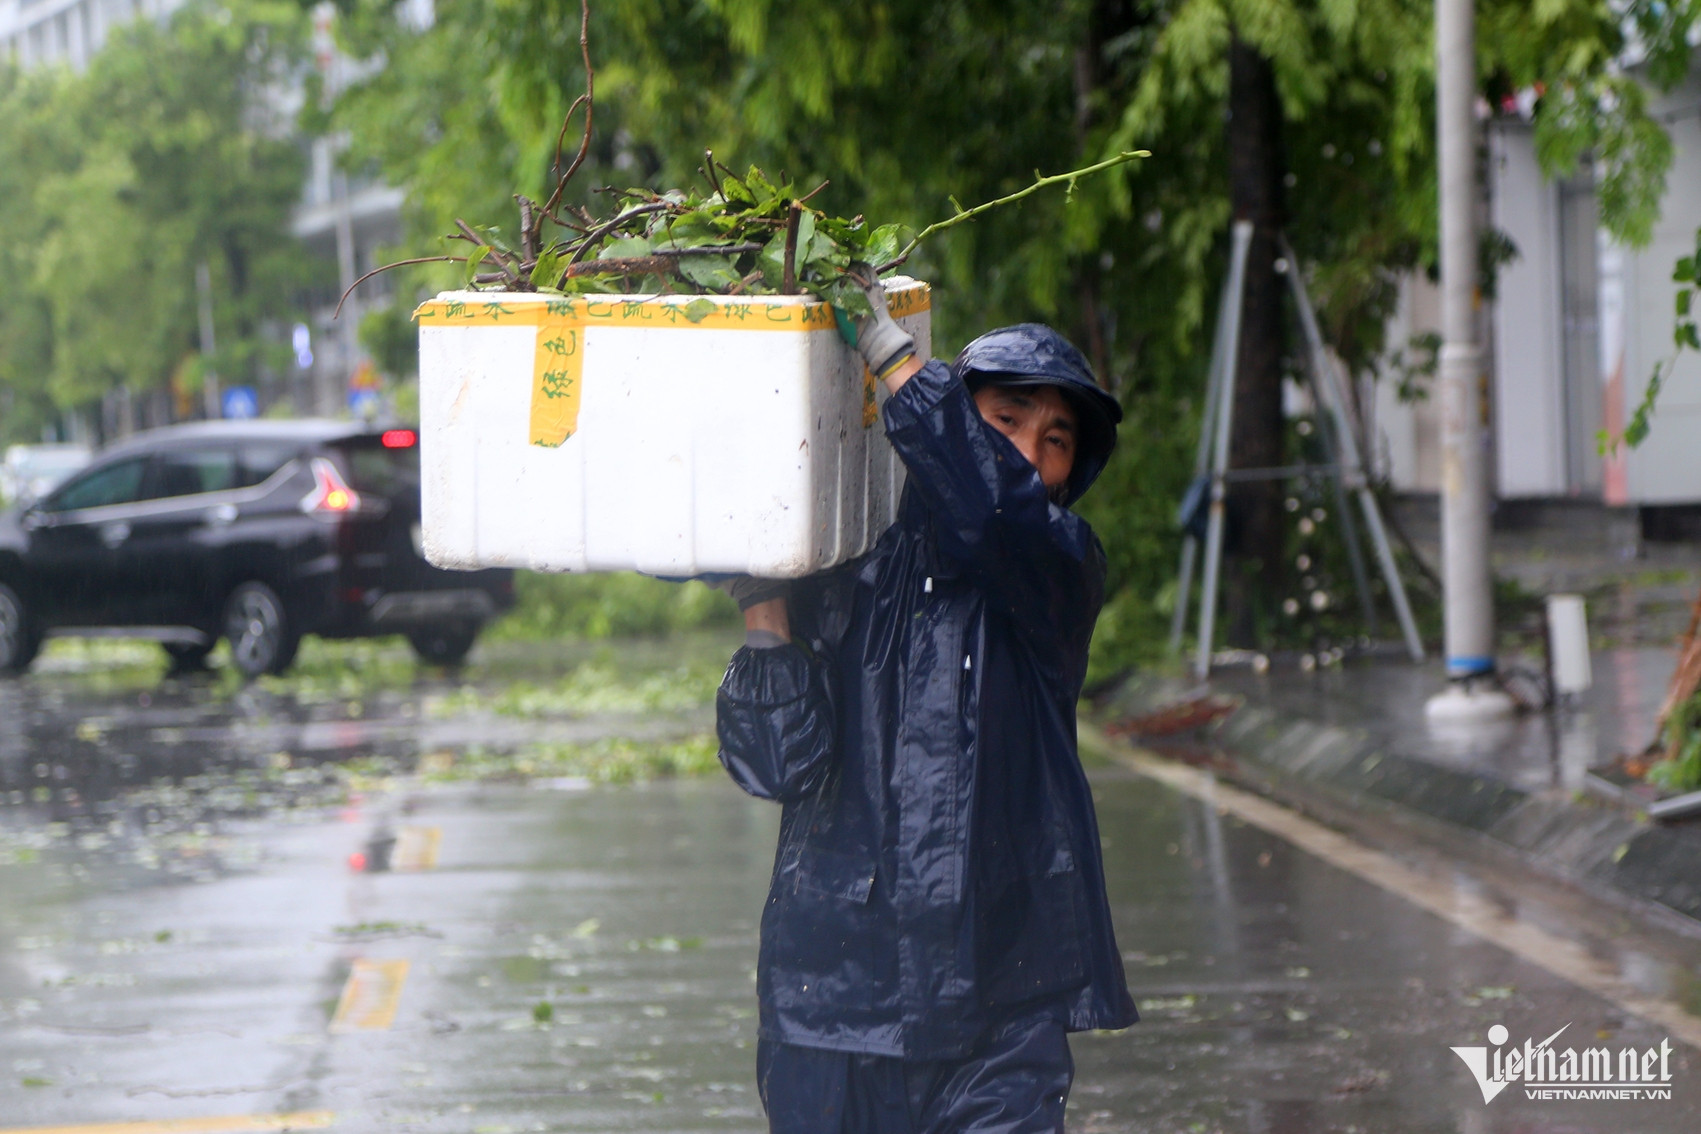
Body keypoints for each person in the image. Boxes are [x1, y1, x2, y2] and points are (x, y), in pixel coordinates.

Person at [714, 269, 1138, 1134]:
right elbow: (773, 766)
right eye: (1006, 420)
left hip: (1002, 1001)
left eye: (1055, 439)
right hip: (830, 1007)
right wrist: (762, 603)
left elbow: (992, 509)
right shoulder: (847, 568)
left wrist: (893, 357)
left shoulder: (1060, 565)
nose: (1028, 452)